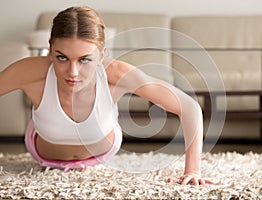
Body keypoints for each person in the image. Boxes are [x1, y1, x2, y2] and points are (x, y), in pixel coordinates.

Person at [0, 6, 211, 186]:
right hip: (43, 153)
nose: (72, 72)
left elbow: (189, 107)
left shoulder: (116, 74)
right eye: (62, 57)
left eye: (84, 60)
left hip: (102, 152)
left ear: (101, 55)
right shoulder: (30, 71)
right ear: (50, 50)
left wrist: (193, 170)